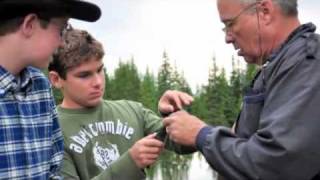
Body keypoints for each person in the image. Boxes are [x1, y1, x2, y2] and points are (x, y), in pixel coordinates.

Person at [160, 0, 320, 179]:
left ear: (264, 12)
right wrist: (177, 123)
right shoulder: (281, 66)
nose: (227, 38)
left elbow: (277, 164)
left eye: (230, 24)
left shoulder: (308, 63)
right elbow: (245, 144)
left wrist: (201, 135)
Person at [48, 28, 195, 180]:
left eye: (100, 70)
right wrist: (131, 162)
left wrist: (172, 115)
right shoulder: (51, 131)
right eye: (84, 75)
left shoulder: (133, 111)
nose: (98, 82)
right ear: (56, 80)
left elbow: (185, 144)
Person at [0, 0, 101, 179]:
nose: (62, 42)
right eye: (62, 29)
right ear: (29, 24)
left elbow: (53, 170)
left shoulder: (40, 86)